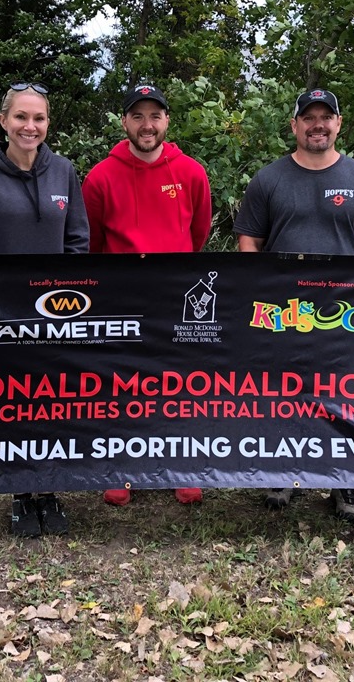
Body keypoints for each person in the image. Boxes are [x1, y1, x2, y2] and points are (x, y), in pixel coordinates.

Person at [233, 88, 354, 523]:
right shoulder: (269, 179)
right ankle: (284, 470)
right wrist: (262, 291)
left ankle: (344, 479)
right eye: (309, 117)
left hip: (343, 310)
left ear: (338, 124)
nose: (317, 125)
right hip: (282, 311)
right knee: (285, 392)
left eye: (326, 117)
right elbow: (249, 241)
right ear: (295, 125)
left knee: (344, 394)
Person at [0, 82, 89, 537]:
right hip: (2, 313)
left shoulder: (64, 171)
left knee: (54, 402)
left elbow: (77, 239)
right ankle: (17, 492)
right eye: (21, 117)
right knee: (13, 404)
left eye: (39, 118)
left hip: (58, 311)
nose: (30, 126)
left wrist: (69, 294)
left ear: (48, 123)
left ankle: (48, 488)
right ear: (3, 120)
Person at [83, 82, 211, 506]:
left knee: (178, 383)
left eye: (155, 115)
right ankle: (123, 468)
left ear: (167, 121)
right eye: (137, 116)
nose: (147, 124)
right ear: (124, 122)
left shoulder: (190, 172)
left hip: (177, 296)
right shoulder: (100, 177)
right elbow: (92, 242)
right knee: (124, 383)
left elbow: (198, 234)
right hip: (121, 297)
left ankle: (181, 466)